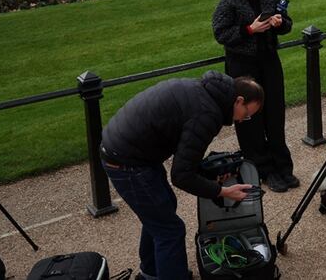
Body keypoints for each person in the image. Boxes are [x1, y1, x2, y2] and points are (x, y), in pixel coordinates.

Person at [101, 72, 263, 280]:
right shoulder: (208, 114)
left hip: (131, 151)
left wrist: (209, 178)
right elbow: (181, 176)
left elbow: (186, 160)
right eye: (247, 114)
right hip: (126, 161)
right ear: (239, 100)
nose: (243, 120)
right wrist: (222, 191)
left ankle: (151, 273)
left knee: (163, 210)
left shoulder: (205, 91)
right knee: (170, 230)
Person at [212, 0, 297, 193]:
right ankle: (264, 170)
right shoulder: (230, 0)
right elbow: (220, 33)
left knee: (274, 112)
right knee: (250, 119)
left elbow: (286, 23)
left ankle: (283, 166)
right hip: (242, 66)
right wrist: (250, 30)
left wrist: (280, 23)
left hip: (269, 61)